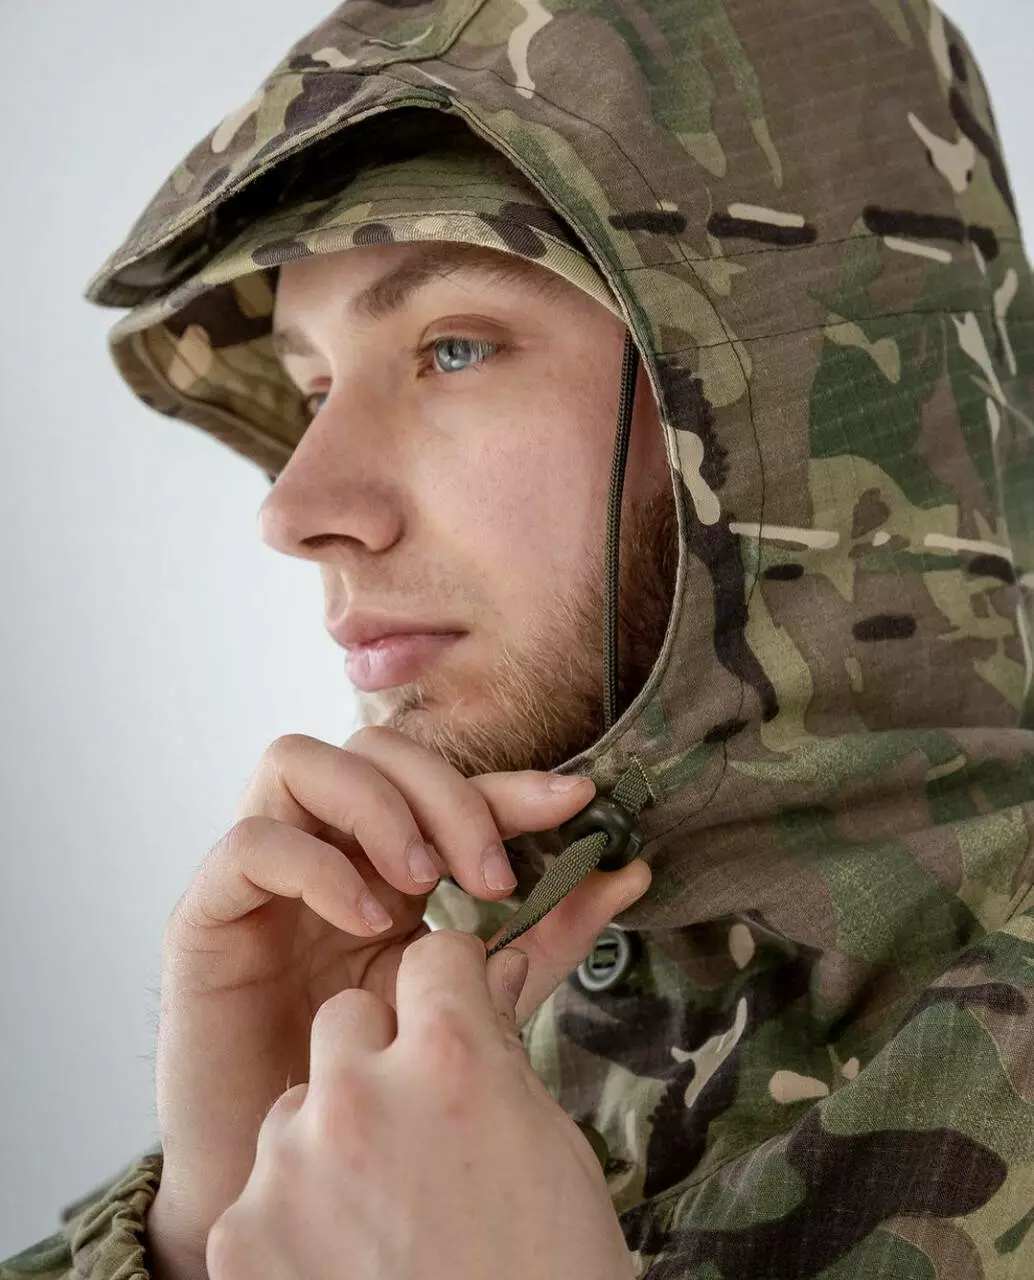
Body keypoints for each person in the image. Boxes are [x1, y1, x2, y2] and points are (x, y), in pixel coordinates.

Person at [5, 0, 1034, 1275]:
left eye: (451, 348)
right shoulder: (405, 1050)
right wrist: (204, 1218)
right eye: (313, 386)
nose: (295, 507)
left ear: (780, 398)